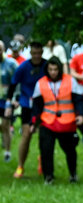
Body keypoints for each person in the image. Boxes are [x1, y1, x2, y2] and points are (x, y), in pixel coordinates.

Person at [30, 57, 81, 184]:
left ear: (60, 69)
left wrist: (80, 115)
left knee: (70, 150)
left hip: (67, 122)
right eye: (50, 69)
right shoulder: (40, 83)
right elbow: (37, 106)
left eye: (55, 69)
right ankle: (48, 176)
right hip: (48, 121)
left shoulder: (71, 81)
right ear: (47, 70)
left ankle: (73, 174)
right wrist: (34, 123)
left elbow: (78, 100)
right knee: (46, 149)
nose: (53, 72)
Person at [8, 42, 49, 178]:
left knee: (44, 136)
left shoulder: (47, 66)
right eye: (34, 53)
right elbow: (13, 84)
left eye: (39, 53)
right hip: (27, 105)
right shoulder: (23, 67)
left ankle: (43, 162)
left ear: (42, 52)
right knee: (26, 135)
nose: (36, 56)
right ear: (30, 53)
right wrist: (9, 102)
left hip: (44, 105)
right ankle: (20, 166)